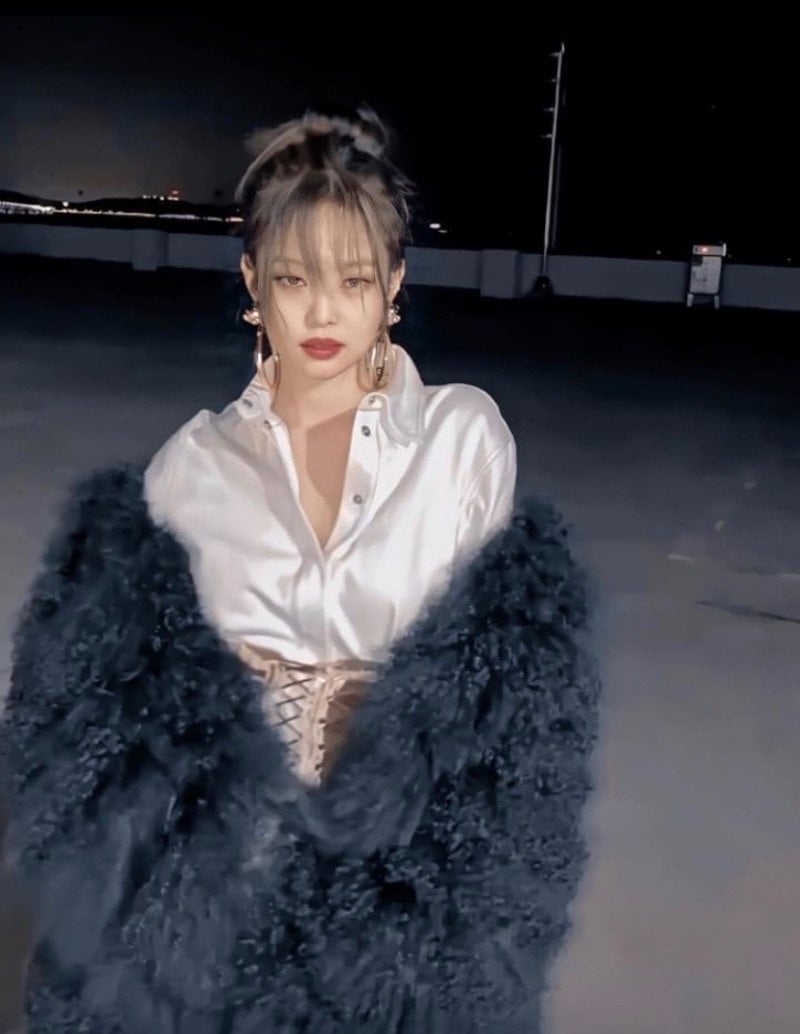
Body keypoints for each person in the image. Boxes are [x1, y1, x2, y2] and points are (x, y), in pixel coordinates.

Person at [2, 103, 602, 1033]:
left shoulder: (462, 439)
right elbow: (130, 708)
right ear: (253, 282)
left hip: (398, 886)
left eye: (353, 279)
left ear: (393, 284)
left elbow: (503, 706)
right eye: (294, 278)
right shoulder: (190, 468)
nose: (323, 312)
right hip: (228, 878)